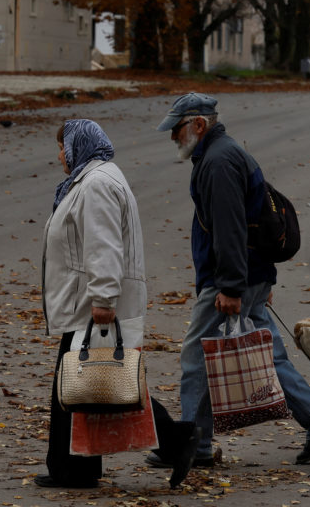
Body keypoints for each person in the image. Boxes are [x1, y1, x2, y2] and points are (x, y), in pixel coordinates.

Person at [147, 93, 310, 470]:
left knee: (197, 359)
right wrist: (255, 279)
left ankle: (189, 445)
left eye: (176, 129)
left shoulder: (219, 160)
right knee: (267, 357)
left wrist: (230, 287)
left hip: (230, 281)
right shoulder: (220, 153)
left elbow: (231, 228)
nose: (173, 137)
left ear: (198, 124)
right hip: (247, 275)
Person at [39, 119, 199, 489]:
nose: (61, 155)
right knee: (98, 383)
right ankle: (77, 468)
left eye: (64, 147)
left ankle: (173, 441)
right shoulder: (93, 178)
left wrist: (103, 298)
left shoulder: (96, 185)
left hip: (93, 302)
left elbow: (103, 245)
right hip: (89, 298)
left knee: (92, 384)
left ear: (80, 145)